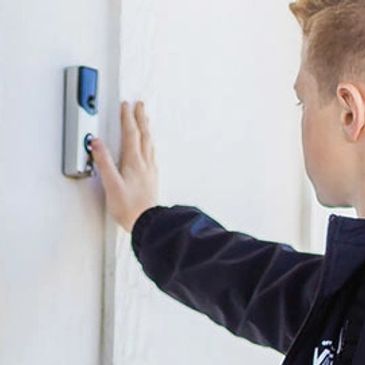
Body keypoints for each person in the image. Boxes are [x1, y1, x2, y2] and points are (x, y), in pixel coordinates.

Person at [89, 1, 365, 364]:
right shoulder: (350, 296)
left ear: (348, 112)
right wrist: (148, 221)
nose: (300, 119)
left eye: (303, 102)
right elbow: (257, 285)